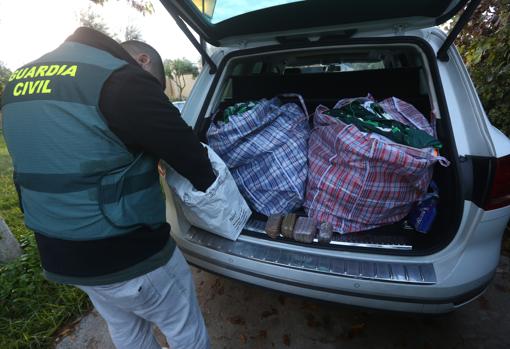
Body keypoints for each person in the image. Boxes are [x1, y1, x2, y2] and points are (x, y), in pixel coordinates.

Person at [1, 27, 215, 349]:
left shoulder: (16, 83)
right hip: (126, 252)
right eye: (156, 88)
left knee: (126, 326)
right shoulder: (121, 79)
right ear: (143, 61)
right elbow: (190, 156)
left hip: (59, 252)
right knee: (184, 327)